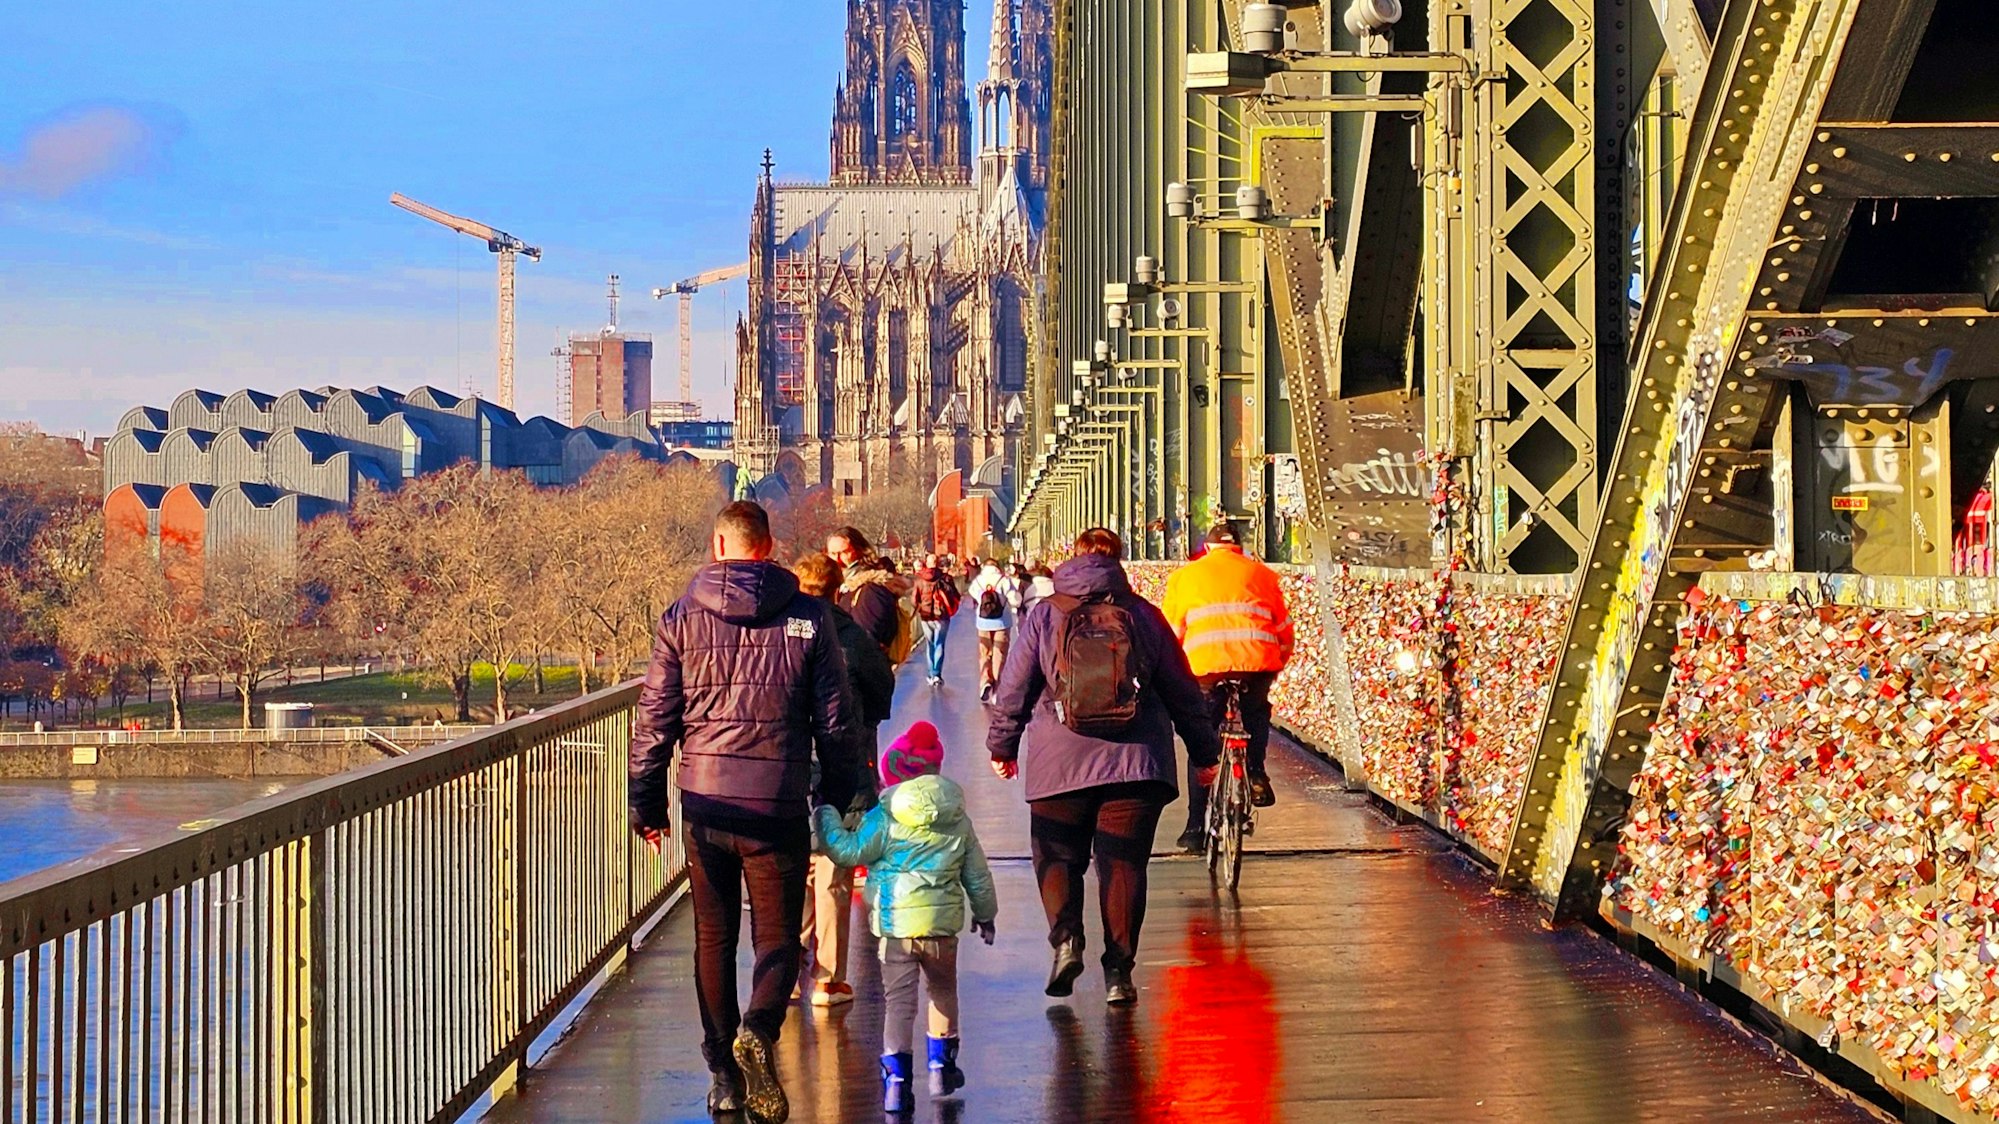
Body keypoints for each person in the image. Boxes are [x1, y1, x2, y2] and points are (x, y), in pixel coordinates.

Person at [630, 500, 861, 1123]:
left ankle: (723, 1074)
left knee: (713, 936)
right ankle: (759, 1028)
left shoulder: (679, 620)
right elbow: (837, 722)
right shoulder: (810, 618)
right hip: (778, 799)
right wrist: (839, 798)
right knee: (778, 938)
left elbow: (654, 723)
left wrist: (646, 806)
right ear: (768, 547)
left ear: (717, 546)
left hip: (705, 804)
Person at [986, 528, 1220, 1006]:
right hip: (1136, 764)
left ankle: (1067, 940)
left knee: (1058, 857)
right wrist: (1204, 754)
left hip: (1059, 761)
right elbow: (1182, 691)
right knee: (1124, 864)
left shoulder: (1044, 615)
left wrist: (1002, 746)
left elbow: (1014, 687)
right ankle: (1119, 972)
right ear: (1119, 561)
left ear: (1072, 559)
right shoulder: (1145, 616)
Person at [814, 721, 999, 1112]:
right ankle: (941, 1068)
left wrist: (826, 816)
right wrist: (986, 916)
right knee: (943, 992)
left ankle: (897, 1084)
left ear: (895, 772)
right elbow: (977, 876)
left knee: (899, 1003)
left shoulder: (885, 818)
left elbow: (848, 852)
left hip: (897, 928)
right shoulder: (958, 819)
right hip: (942, 930)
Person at [790, 552, 896, 1009]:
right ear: (839, 590)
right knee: (834, 871)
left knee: (794, 871)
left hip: (790, 768)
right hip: (845, 766)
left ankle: (788, 974)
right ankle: (828, 978)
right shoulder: (852, 636)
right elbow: (881, 696)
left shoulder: (780, 634)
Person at [1161, 520, 1295, 852]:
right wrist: (1274, 665)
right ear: (1239, 548)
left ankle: (1194, 828)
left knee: (1202, 742)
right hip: (1255, 666)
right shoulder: (1262, 575)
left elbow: (1171, 633)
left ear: (1207, 549)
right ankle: (1256, 771)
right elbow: (1284, 630)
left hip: (1205, 669)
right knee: (1257, 712)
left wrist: (1173, 674)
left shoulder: (1184, 577)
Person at [966, 559, 1022, 702]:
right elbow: (1016, 600)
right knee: (999, 654)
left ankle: (985, 681)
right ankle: (997, 690)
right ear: (997, 567)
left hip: (983, 622)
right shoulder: (1004, 580)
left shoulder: (978, 580)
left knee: (984, 653)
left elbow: (973, 593)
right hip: (1002, 622)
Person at [911, 553, 963, 688]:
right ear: (938, 563)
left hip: (926, 617)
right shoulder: (946, 578)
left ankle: (930, 673)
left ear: (926, 563)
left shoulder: (919, 580)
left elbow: (913, 600)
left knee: (930, 644)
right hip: (942, 616)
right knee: (939, 644)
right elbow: (956, 595)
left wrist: (920, 607)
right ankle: (937, 674)